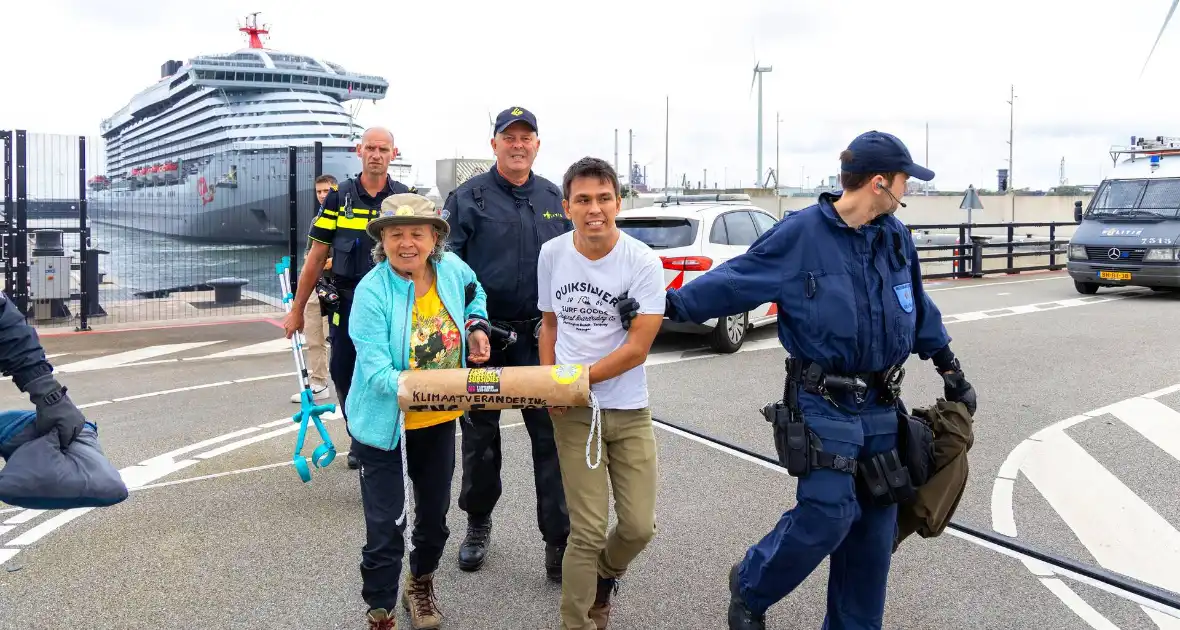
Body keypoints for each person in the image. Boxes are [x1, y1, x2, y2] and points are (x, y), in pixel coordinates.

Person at [638, 131, 978, 630]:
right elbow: (739, 278)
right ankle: (751, 586)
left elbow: (917, 303)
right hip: (822, 400)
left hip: (882, 403)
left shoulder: (895, 237)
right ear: (880, 183)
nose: (908, 192)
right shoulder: (803, 234)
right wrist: (667, 306)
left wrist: (949, 367)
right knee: (829, 512)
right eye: (905, 181)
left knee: (874, 533)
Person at [347, 192, 492, 630]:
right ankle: (380, 611)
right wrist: (434, 384)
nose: (406, 243)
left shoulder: (452, 270)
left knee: (434, 522)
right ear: (383, 240)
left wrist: (476, 327)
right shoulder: (371, 291)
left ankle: (420, 582)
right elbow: (375, 373)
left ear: (435, 238)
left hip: (438, 421)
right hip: (384, 427)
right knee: (387, 528)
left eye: (416, 233)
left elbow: (474, 292)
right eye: (396, 234)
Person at [443, 106, 572, 580]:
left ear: (537, 144)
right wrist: (470, 324)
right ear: (493, 143)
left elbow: (576, 262)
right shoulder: (468, 198)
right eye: (509, 136)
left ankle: (558, 541)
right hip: (486, 337)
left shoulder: (556, 198)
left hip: (541, 338)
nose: (518, 144)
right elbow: (449, 268)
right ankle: (477, 523)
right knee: (479, 439)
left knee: (552, 438)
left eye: (527, 136)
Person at [537, 157, 664, 630]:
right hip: (573, 413)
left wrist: (574, 379)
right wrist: (553, 379)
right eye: (584, 200)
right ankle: (579, 621)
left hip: (628, 408)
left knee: (637, 527)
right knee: (586, 531)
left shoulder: (642, 262)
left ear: (618, 202)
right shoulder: (551, 254)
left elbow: (637, 349)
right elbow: (548, 323)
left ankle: (605, 577)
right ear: (567, 205)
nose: (595, 209)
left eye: (604, 198)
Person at [282, 127, 416, 470]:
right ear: (360, 151)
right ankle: (358, 434)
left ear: (393, 154)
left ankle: (390, 439)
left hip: (396, 306)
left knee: (395, 372)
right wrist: (297, 309)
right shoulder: (338, 197)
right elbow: (316, 255)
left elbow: (425, 256)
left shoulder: (405, 198)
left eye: (383, 149)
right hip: (348, 304)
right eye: (370, 147)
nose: (376, 154)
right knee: (344, 371)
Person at [290, 173, 337, 404]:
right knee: (314, 334)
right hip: (317, 283)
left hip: (339, 284)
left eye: (326, 191)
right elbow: (311, 252)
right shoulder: (315, 220)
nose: (322, 196)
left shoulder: (344, 217)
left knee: (346, 338)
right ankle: (319, 382)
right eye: (318, 191)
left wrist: (331, 262)